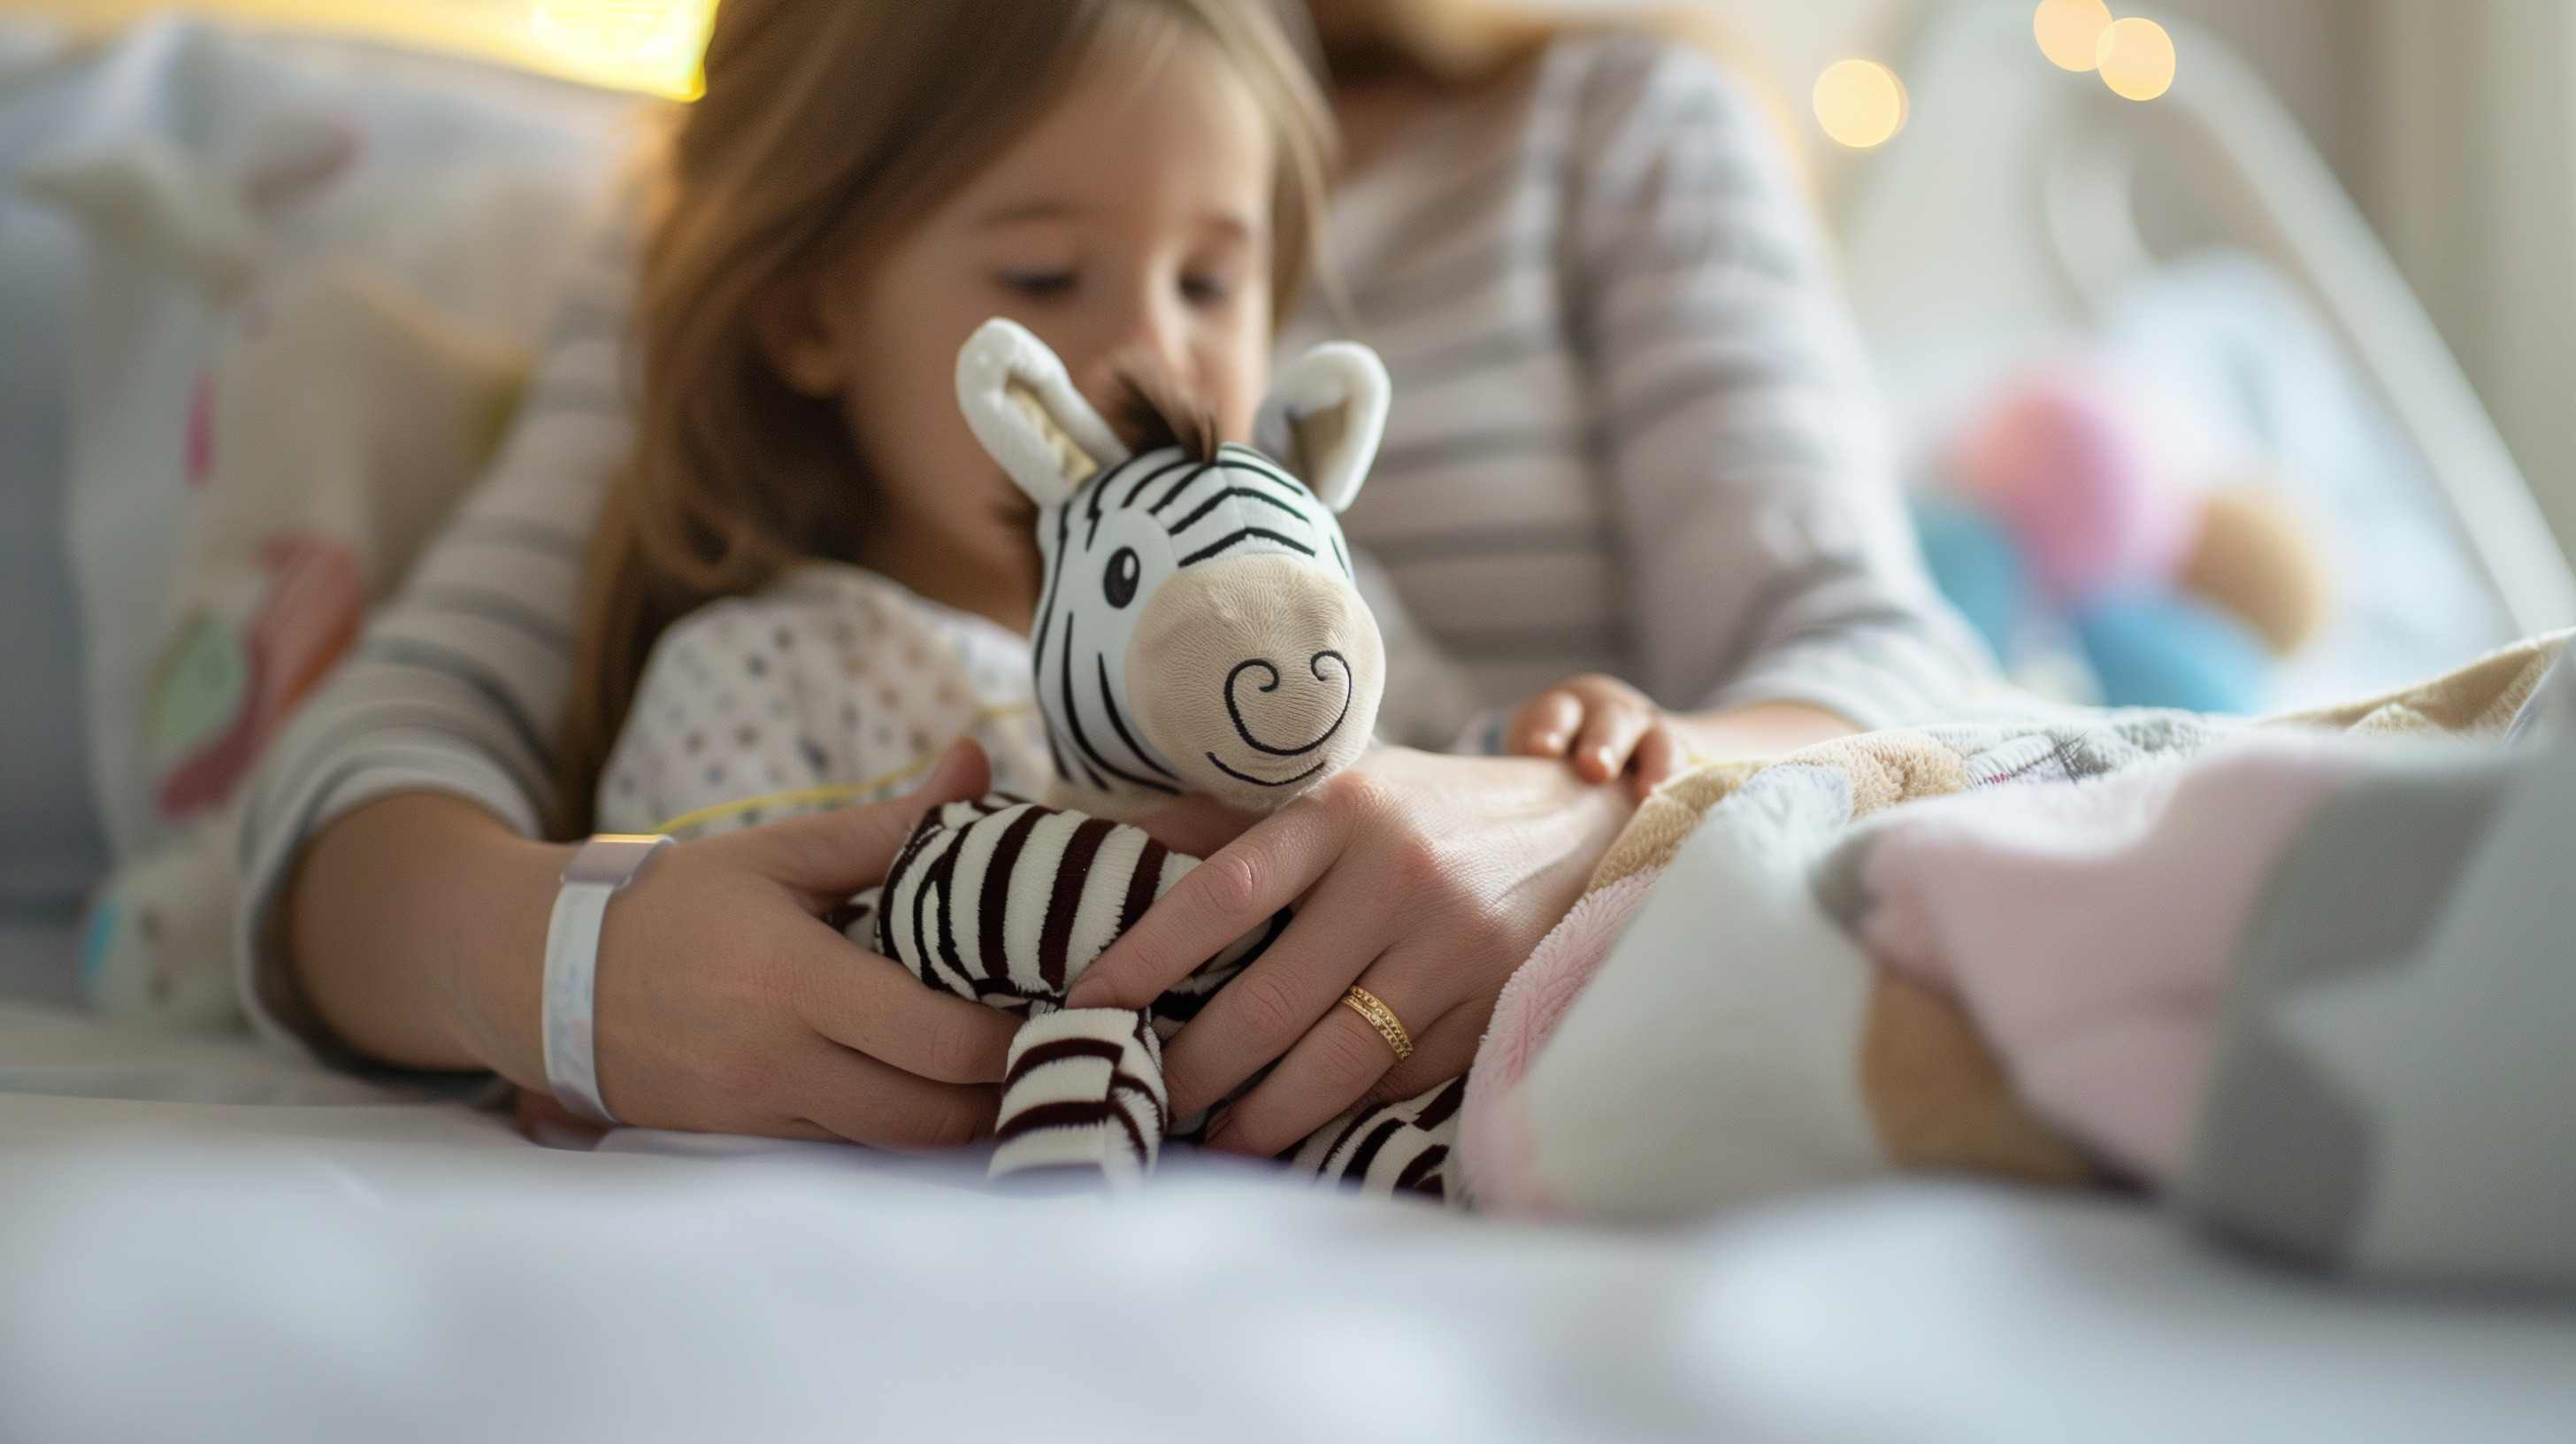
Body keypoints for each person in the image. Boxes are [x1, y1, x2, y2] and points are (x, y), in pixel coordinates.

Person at [242, 0, 1983, 1157]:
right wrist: (571, 972)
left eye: (1223, 289)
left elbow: (1906, 676)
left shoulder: (1621, 124)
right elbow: (387, 761)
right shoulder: (807, 149)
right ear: (809, 312)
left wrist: (1573, 792)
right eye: (1047, 274)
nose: (1149, 363)